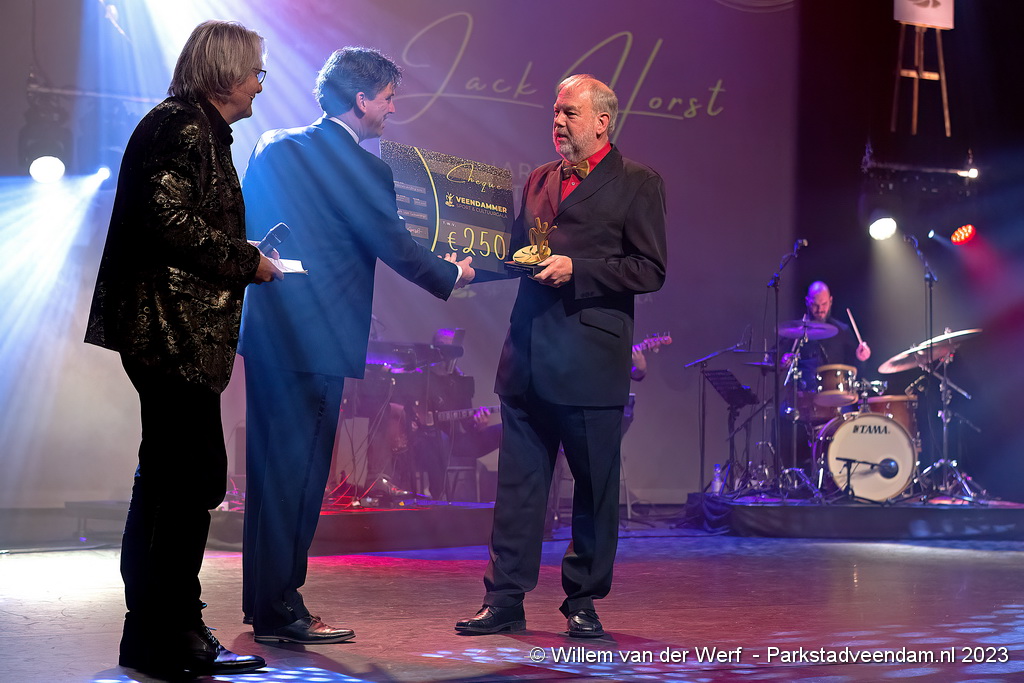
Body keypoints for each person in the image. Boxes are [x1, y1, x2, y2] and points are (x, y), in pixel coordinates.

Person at [238, 47, 475, 644]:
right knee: (300, 478)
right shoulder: (365, 170)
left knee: (267, 471)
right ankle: (281, 611)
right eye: (389, 98)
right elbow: (395, 246)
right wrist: (453, 274)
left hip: (267, 332)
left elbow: (247, 225)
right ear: (362, 99)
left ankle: (262, 603)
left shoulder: (272, 146)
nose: (393, 109)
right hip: (318, 341)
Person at [84, 20, 280, 677]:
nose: (260, 85)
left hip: (174, 334)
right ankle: (171, 634)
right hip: (170, 335)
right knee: (184, 482)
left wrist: (241, 255)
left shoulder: (190, 127)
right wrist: (243, 259)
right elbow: (166, 219)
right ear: (225, 74)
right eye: (255, 72)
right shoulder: (184, 127)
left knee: (174, 480)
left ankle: (159, 632)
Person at [455, 75, 667, 638]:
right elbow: (514, 252)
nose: (557, 120)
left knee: (593, 490)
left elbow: (650, 269)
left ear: (602, 121)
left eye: (569, 112)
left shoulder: (638, 182)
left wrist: (579, 270)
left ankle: (583, 601)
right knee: (518, 490)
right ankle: (504, 599)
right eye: (554, 111)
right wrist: (470, 268)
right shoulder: (538, 179)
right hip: (527, 356)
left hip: (590, 361)